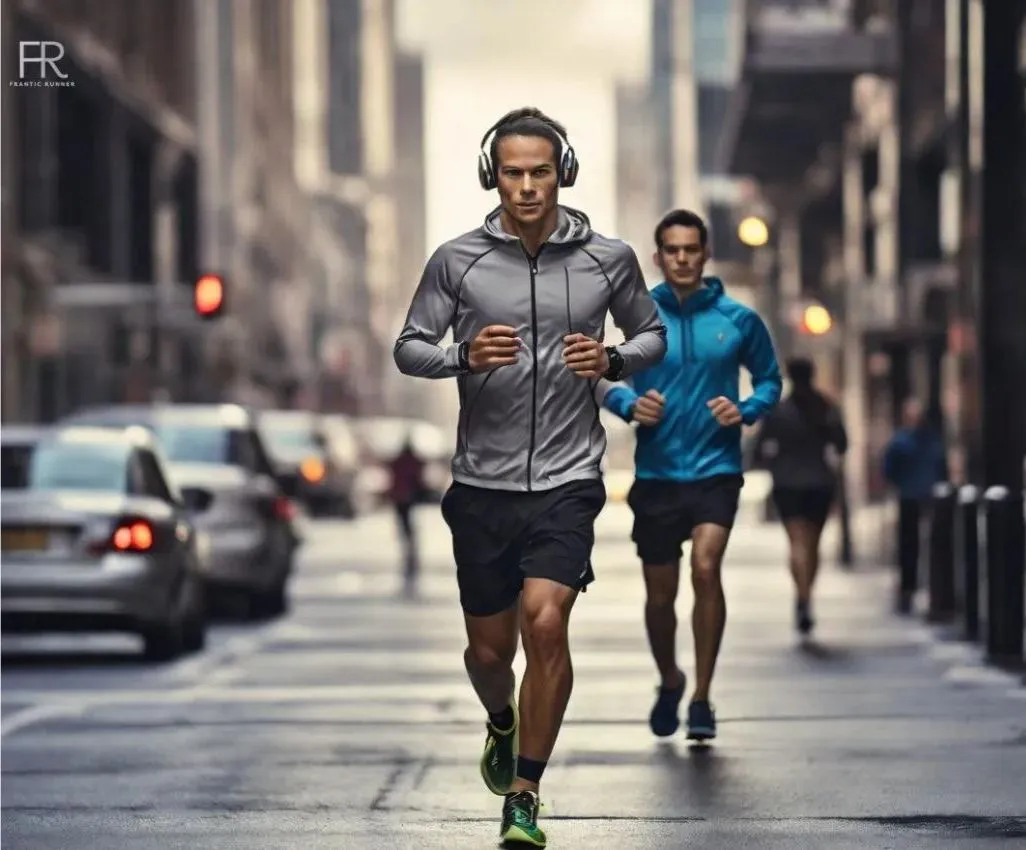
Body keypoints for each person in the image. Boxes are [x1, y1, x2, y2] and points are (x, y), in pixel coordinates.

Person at [393, 106, 666, 846]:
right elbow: (409, 346)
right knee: (490, 652)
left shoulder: (609, 259)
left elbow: (650, 333)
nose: (525, 187)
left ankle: (525, 795)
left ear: (562, 172)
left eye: (539, 171)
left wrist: (611, 360)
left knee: (547, 623)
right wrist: (462, 354)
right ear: (493, 175)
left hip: (569, 479)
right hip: (481, 484)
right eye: (511, 172)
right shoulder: (458, 261)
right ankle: (501, 719)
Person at [599, 208, 781, 743]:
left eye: (691, 249)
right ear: (658, 257)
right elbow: (598, 379)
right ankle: (670, 679)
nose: (682, 258)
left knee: (706, 568)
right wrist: (629, 403)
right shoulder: (638, 320)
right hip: (655, 476)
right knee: (660, 597)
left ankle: (702, 696)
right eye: (672, 250)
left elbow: (770, 379)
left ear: (705, 254)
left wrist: (745, 410)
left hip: (716, 471)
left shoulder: (738, 319)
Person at [754, 357, 848, 636]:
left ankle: (802, 595)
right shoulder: (827, 407)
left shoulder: (778, 411)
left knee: (797, 542)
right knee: (813, 544)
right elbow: (841, 444)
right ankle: (807, 596)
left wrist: (776, 463)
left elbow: (759, 450)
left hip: (787, 484)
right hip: (819, 482)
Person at [882, 398, 948, 614]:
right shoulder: (904, 442)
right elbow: (889, 468)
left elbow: (940, 467)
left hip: (922, 497)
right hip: (913, 497)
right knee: (911, 545)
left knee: (922, 545)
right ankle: (911, 587)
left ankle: (924, 589)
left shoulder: (923, 441)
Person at [387, 435, 427, 593]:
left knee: (405, 525)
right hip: (408, 497)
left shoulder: (399, 462)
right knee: (408, 527)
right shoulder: (413, 462)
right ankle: (410, 543)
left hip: (400, 497)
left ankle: (408, 541)